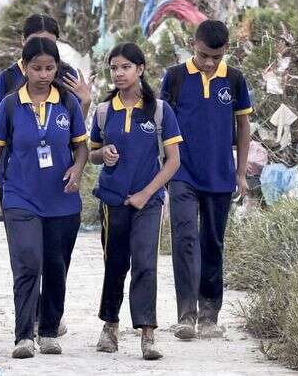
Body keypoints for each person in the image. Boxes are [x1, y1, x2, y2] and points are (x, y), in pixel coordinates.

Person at [0, 37, 89, 359]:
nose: (44, 74)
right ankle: (23, 336)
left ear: (56, 68)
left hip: (61, 198)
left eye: (50, 68)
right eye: (37, 68)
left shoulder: (68, 103)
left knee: (56, 266)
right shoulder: (12, 105)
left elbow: (81, 145)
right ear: (25, 68)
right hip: (20, 196)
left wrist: (78, 168)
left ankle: (48, 331)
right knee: (28, 261)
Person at [89, 44, 182, 360]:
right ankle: (110, 327)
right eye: (114, 67)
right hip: (112, 200)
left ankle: (147, 334)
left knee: (145, 263)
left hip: (149, 202)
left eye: (126, 67)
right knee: (115, 264)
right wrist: (103, 155)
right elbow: (90, 153)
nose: (119, 73)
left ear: (140, 69)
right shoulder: (104, 111)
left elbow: (173, 162)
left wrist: (146, 193)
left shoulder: (159, 111)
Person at [160, 19, 252, 340]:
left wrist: (240, 172)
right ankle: (185, 314)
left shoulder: (236, 80)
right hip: (182, 172)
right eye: (203, 56)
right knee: (185, 239)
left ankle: (210, 314)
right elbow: (163, 124)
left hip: (220, 173)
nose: (209, 63)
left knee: (212, 241)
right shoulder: (174, 77)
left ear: (226, 49)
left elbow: (242, 128)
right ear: (192, 44)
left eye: (216, 57)